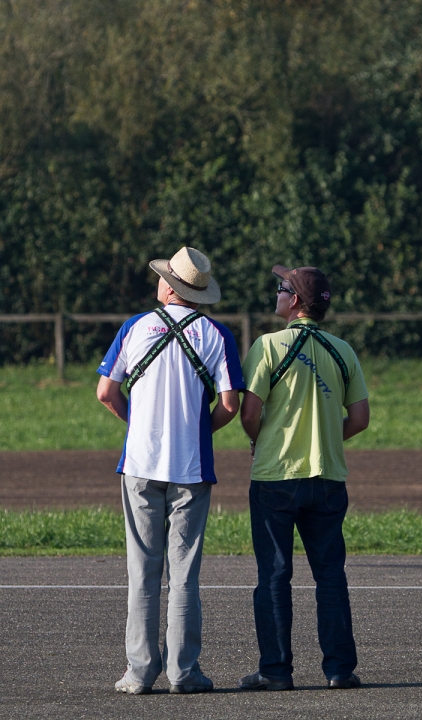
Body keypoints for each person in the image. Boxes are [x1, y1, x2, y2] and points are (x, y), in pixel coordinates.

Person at [97, 246, 244, 695]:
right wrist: (200, 429)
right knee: (184, 575)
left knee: (142, 571)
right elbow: (231, 404)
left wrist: (137, 423)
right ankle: (184, 672)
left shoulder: (135, 327)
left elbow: (106, 391)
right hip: (192, 468)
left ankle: (138, 672)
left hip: (139, 463)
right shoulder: (217, 335)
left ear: (168, 285)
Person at [239, 263, 369, 692]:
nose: (275, 294)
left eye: (280, 288)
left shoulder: (268, 346)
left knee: (274, 576)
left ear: (294, 301)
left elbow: (250, 412)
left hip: (276, 477)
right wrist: (331, 436)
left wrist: (260, 442)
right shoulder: (342, 350)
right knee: (331, 575)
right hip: (329, 476)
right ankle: (339, 670)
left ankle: (275, 672)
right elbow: (361, 417)